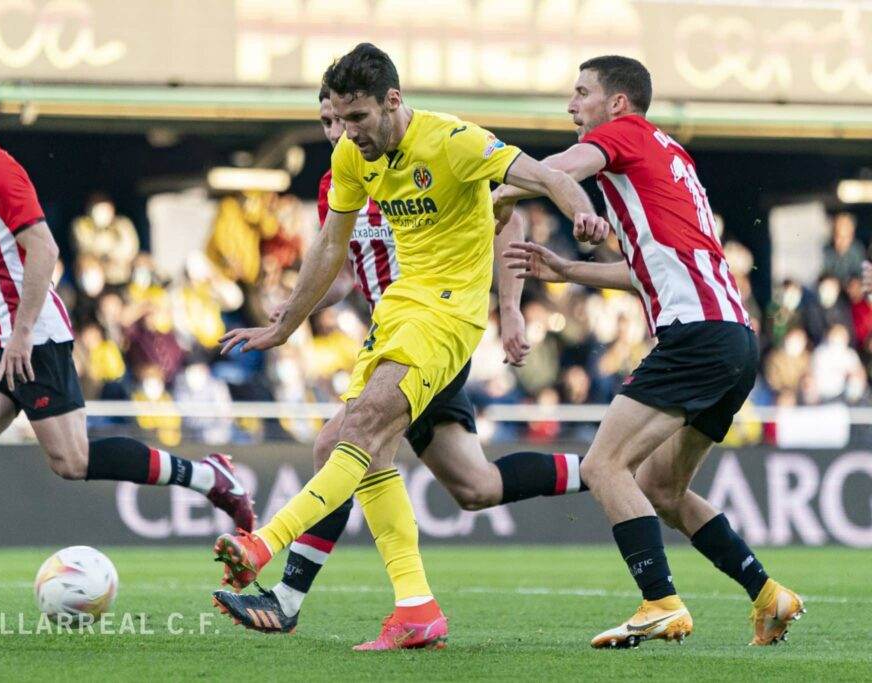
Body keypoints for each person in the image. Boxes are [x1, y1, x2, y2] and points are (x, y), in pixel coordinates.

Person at [213, 43, 606, 651]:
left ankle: (264, 548)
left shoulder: (455, 142)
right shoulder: (349, 158)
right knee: (456, 482)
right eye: (336, 120)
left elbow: (547, 180)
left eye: (356, 118)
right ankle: (417, 607)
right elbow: (328, 250)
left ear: (393, 101)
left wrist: (581, 218)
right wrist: (286, 323)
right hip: (395, 315)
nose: (345, 133)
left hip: (447, 317)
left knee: (353, 434)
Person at [0, 62, 255, 615]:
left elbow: (45, 250)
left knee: (72, 461)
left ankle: (208, 476)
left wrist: (21, 330)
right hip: (4, 338)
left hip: (33, 340)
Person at [497, 55, 804, 648]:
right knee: (663, 488)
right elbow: (652, 271)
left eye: (581, 92)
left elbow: (562, 167)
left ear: (616, 103)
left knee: (602, 465)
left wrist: (503, 186)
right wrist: (567, 269)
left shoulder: (625, 135)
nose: (570, 106)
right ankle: (769, 595)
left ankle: (659, 601)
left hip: (696, 335)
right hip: (733, 338)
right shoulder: (669, 156)